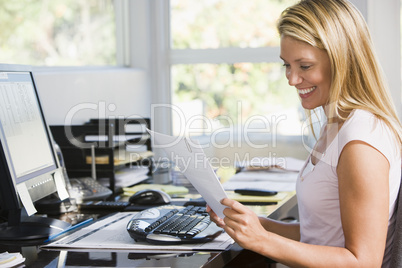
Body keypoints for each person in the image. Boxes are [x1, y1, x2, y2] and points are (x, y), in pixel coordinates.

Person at [206, 0, 402, 267]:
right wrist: (252, 225)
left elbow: (362, 261)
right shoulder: (336, 124)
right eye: (286, 65)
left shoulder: (361, 141)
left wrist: (262, 241)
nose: (292, 79)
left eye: (305, 66)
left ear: (341, 59)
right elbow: (320, 235)